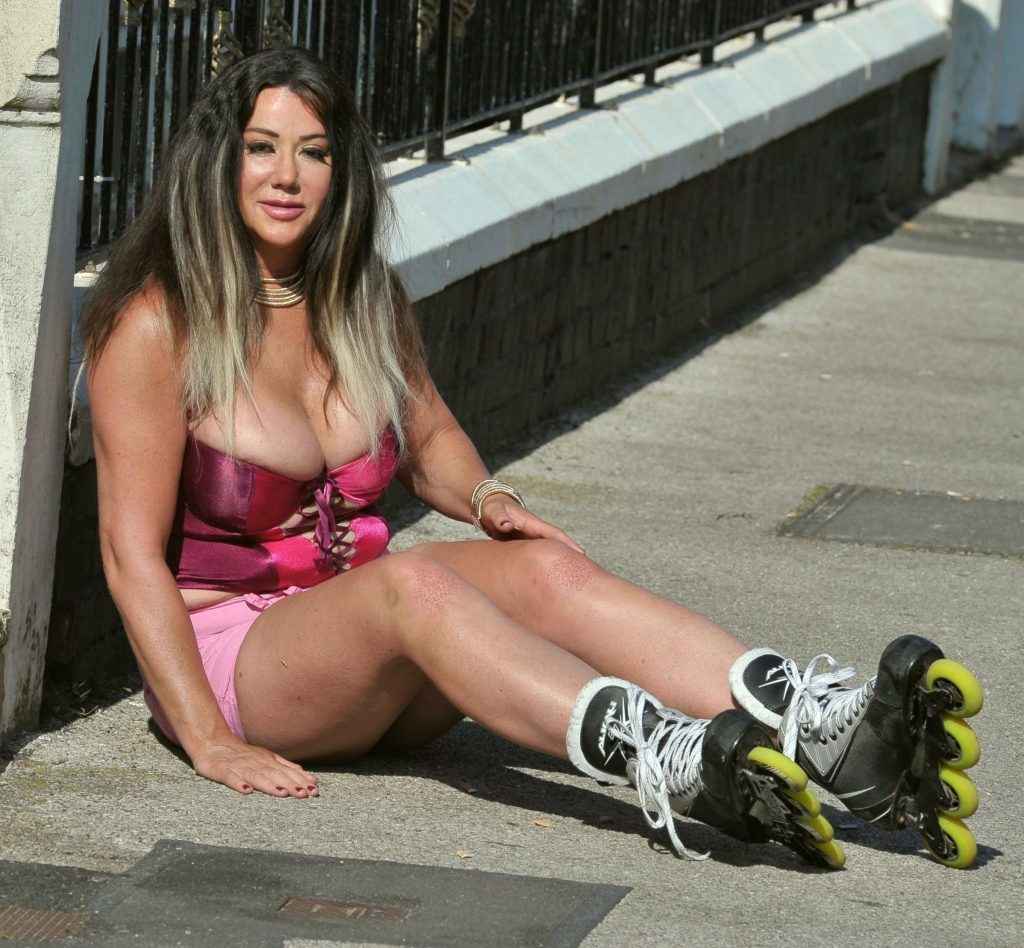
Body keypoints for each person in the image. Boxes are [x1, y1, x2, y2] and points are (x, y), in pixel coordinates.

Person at [78, 48, 984, 871]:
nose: (287, 176)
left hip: (374, 658)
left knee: (542, 565)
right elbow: (128, 555)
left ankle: (823, 733)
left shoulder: (362, 299)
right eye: (261, 148)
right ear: (217, 160)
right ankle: (668, 754)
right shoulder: (157, 325)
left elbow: (431, 439)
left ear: (340, 170)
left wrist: (488, 500)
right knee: (416, 586)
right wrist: (208, 738)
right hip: (244, 668)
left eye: (313, 152)